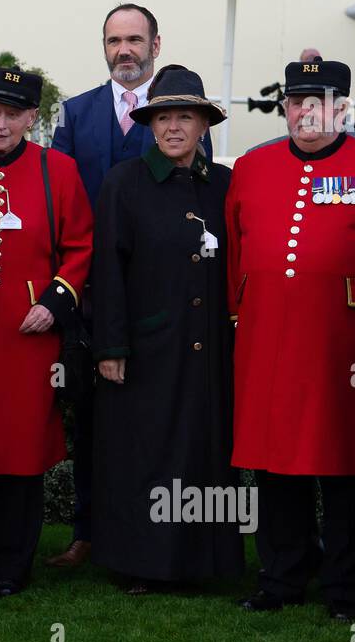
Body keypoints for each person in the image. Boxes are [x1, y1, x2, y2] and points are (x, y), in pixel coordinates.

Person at [225, 60, 355, 620]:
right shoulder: (252, 166)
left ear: (342, 108)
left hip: (345, 342)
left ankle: (346, 586)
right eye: (296, 100)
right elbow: (236, 252)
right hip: (266, 336)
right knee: (273, 460)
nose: (306, 111)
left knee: (345, 462)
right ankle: (280, 577)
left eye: (321, 101)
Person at [49, 2, 212, 570]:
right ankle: (88, 530)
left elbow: (197, 199)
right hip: (90, 293)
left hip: (159, 295)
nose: (125, 50)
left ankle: (161, 538)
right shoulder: (75, 113)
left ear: (155, 45)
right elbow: (59, 199)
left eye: (134, 40)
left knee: (155, 422)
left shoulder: (181, 114)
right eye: (114, 39)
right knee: (95, 420)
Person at [92, 66, 244, 592]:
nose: (174, 127)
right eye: (163, 117)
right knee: (148, 453)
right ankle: (144, 564)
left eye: (185, 116)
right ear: (149, 124)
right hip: (148, 346)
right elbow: (107, 270)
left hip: (209, 348)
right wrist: (110, 346)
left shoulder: (225, 185)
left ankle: (206, 562)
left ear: (205, 125)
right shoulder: (123, 185)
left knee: (203, 450)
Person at [0, 66, 92, 597]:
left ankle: (11, 565)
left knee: (20, 453)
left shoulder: (61, 171)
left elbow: (79, 248)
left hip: (30, 338)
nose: (0, 124)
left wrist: (56, 300)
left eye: (13, 114)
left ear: (32, 117)